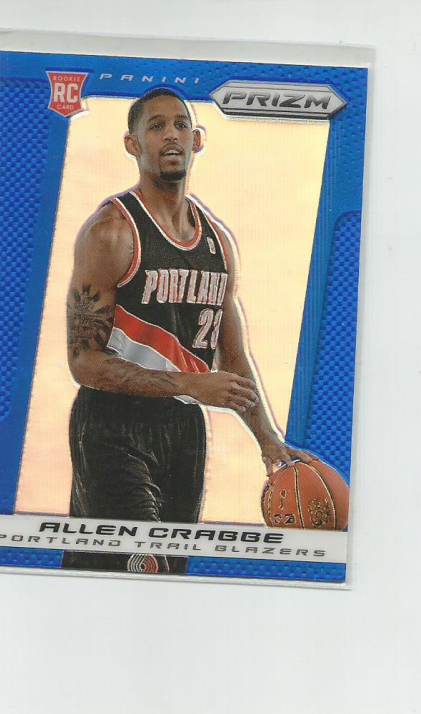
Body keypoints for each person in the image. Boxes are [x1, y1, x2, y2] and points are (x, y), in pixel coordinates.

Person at [61, 87, 313, 575]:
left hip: (183, 432)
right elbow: (83, 362)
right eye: (156, 126)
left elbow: (232, 359)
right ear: (133, 144)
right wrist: (191, 384)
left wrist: (267, 439)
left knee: (155, 574)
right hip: (112, 423)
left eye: (180, 125)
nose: (171, 135)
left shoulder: (217, 242)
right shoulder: (111, 231)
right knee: (141, 565)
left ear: (197, 140)